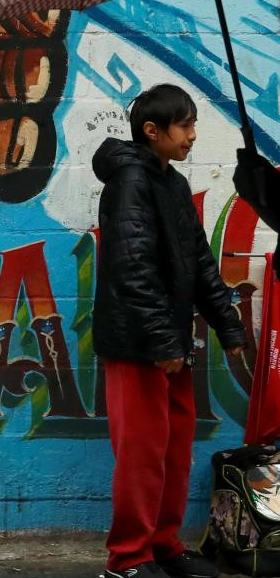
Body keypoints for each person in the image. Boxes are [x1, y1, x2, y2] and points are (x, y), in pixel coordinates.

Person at [92, 83, 246, 578]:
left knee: (175, 446)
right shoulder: (130, 181)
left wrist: (229, 326)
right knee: (141, 452)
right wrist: (162, 342)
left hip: (171, 340)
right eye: (184, 126)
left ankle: (162, 544)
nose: (193, 135)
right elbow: (131, 268)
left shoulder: (172, 183)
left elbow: (199, 261)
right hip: (140, 344)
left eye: (194, 124)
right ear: (152, 130)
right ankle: (127, 560)